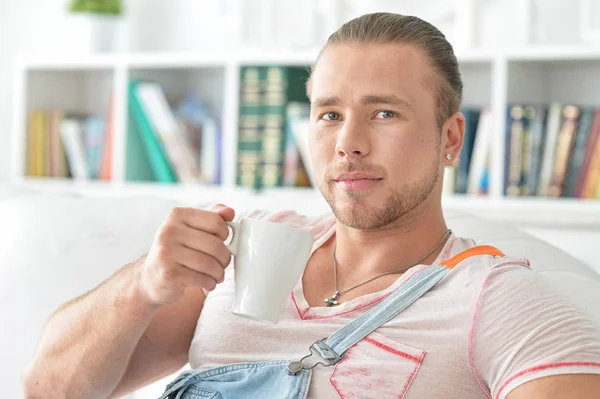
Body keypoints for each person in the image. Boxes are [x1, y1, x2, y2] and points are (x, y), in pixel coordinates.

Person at [23, 12, 600, 399]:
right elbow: (49, 388)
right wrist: (142, 284)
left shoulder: (492, 297)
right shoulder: (245, 245)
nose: (348, 142)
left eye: (384, 113)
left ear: (450, 139)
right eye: (329, 113)